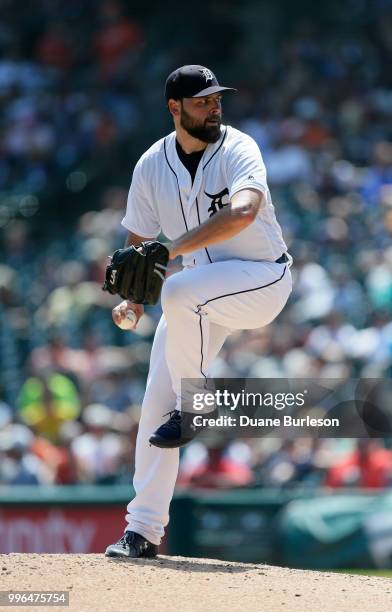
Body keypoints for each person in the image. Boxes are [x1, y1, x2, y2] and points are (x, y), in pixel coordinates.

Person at [105, 65, 293, 559]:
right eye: (203, 100)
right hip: (197, 298)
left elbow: (245, 212)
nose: (215, 106)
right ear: (175, 108)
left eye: (217, 98)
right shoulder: (150, 165)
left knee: (181, 291)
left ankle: (198, 402)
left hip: (261, 279)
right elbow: (139, 248)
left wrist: (169, 254)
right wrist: (131, 298)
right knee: (154, 404)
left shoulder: (238, 147)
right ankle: (142, 531)